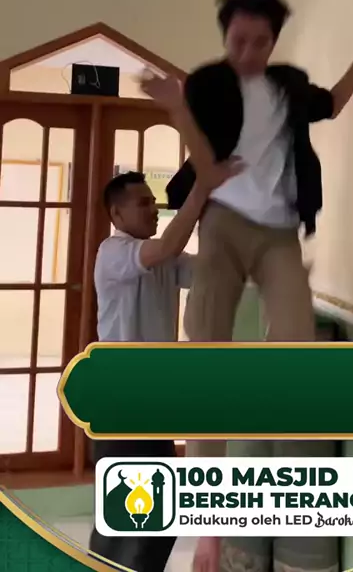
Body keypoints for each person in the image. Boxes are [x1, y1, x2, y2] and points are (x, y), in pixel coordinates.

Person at [141, 0, 353, 351]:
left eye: (261, 43)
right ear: (225, 37)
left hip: (279, 228)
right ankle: (205, 383)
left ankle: (275, 384)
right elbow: (205, 165)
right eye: (238, 41)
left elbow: (333, 104)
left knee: (296, 332)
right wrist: (177, 108)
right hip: (223, 220)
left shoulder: (290, 85)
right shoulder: (209, 84)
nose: (248, 53)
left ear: (274, 42)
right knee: (206, 329)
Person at [88, 163, 240, 572]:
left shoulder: (164, 260)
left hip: (152, 401)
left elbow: (211, 271)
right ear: (116, 214)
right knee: (127, 517)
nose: (153, 209)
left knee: (155, 516)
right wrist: (201, 189)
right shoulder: (114, 253)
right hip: (120, 403)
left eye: (154, 202)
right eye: (143, 203)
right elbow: (165, 248)